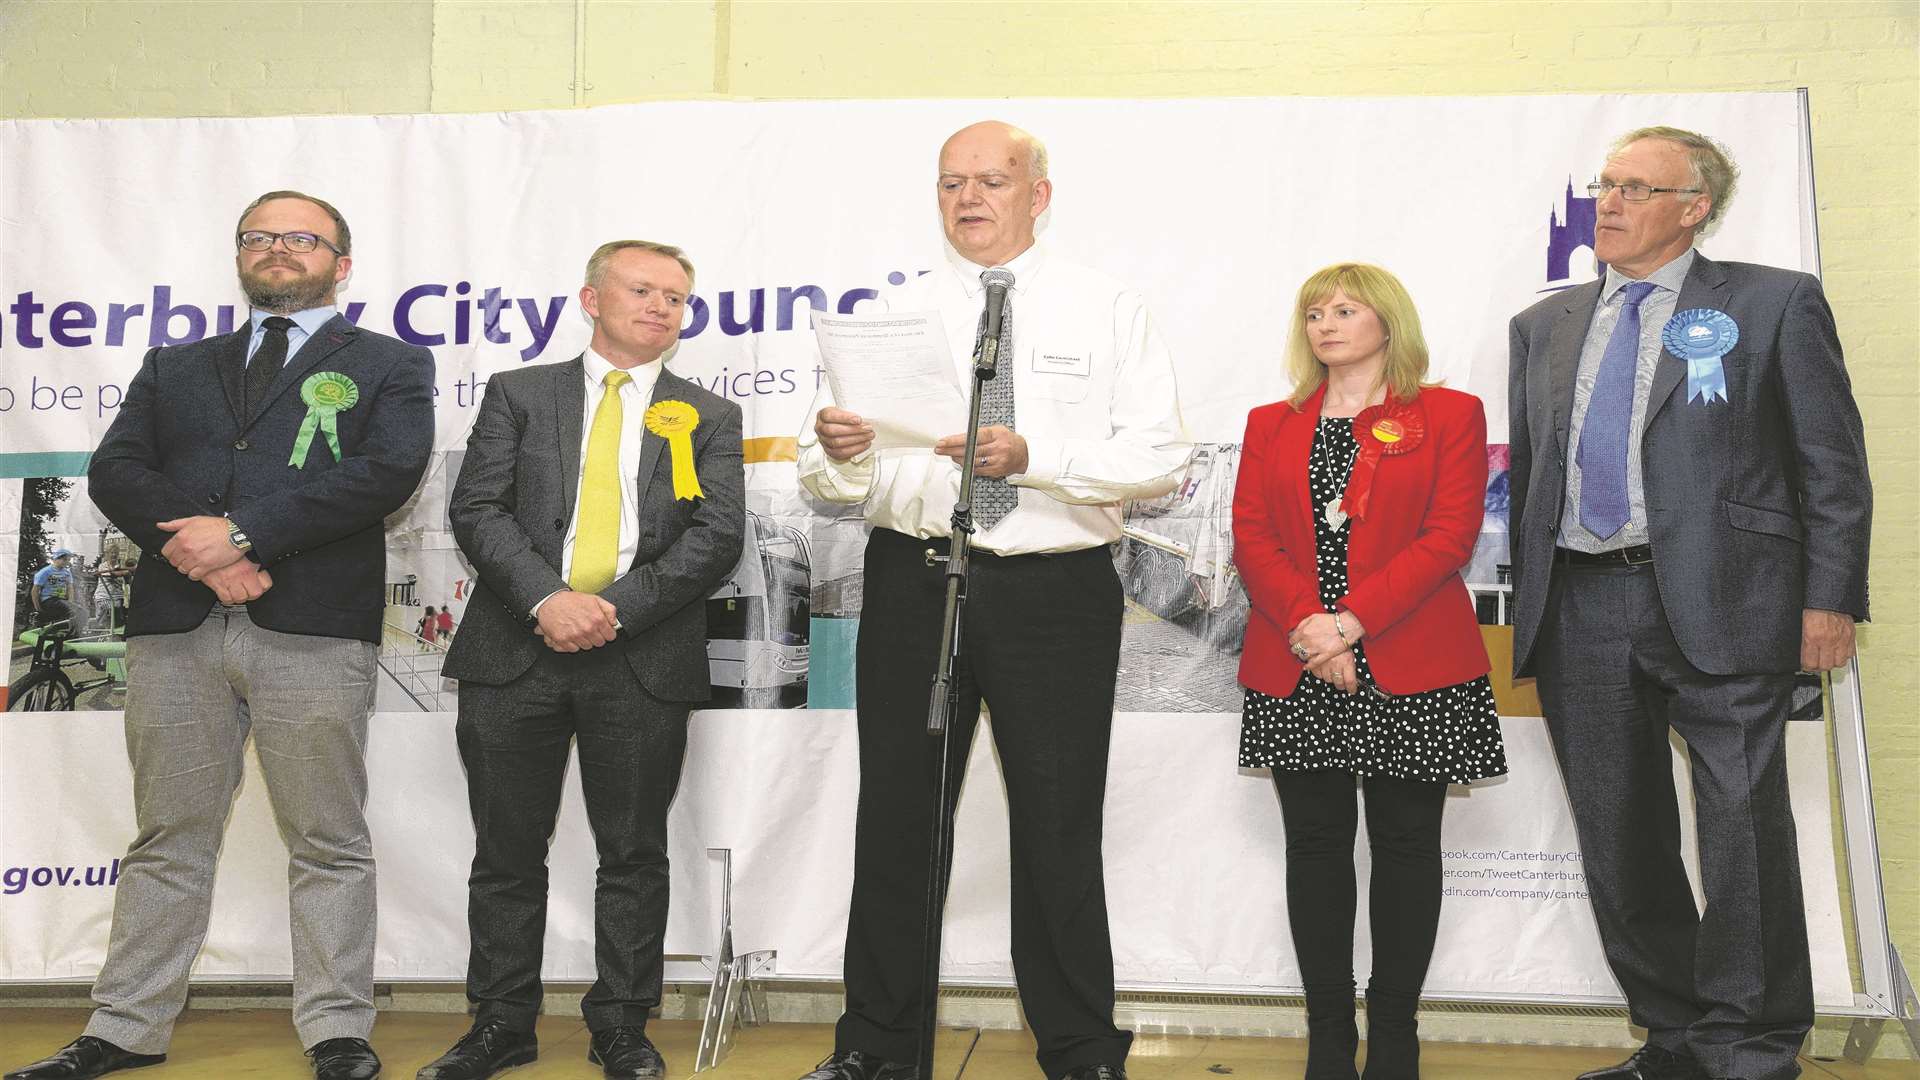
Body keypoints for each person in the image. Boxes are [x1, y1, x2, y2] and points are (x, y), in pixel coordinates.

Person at [5, 191, 433, 1080]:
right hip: (177, 628)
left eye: (301, 238)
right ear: (240, 256)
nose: (278, 249)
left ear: (340, 263)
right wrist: (209, 554)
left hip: (312, 629)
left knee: (327, 837)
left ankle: (337, 1030)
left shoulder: (392, 362)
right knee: (169, 835)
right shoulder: (175, 363)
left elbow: (386, 472)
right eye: (259, 237)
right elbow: (116, 469)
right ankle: (124, 1026)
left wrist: (244, 536)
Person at [796, 120, 1191, 1080]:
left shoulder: (1109, 307)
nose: (969, 198)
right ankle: (877, 1050)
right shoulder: (890, 314)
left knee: (1058, 822)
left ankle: (1082, 1050)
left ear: (1038, 194)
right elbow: (826, 481)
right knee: (896, 818)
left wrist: (1036, 461)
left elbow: (1161, 460)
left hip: (1055, 587)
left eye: (991, 181)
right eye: (950, 184)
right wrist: (842, 457)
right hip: (915, 579)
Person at [1508, 127, 1871, 1080]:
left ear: (1694, 206)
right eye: (1604, 185)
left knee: (1743, 833)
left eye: (1636, 187)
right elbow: (1536, 475)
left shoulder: (1770, 301)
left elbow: (1831, 466)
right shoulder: (1543, 325)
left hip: (1731, 602)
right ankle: (1672, 1038)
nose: (1610, 203)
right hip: (1581, 605)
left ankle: (1751, 1050)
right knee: (1618, 837)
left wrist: (1829, 598)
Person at [425, 240, 744, 1080]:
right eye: (643, 290)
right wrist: (549, 601)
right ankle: (500, 1024)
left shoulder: (708, 414)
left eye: (676, 297)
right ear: (591, 299)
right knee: (505, 852)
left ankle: (622, 1026)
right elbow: (478, 507)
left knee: (633, 852)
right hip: (514, 649)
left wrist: (613, 610)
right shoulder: (518, 393)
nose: (661, 307)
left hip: (641, 655)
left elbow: (716, 537)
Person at [1233, 264, 1507, 1080]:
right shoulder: (1271, 422)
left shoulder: (1449, 414)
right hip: (1296, 658)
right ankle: (1326, 1039)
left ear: (1387, 322)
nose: (1326, 324)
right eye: (1314, 312)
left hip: (1416, 661)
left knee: (1405, 846)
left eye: (1345, 310)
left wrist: (1351, 622)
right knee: (1314, 847)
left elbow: (1451, 535)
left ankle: (1394, 1036)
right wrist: (1313, 631)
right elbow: (1253, 536)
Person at [28, 548, 79, 631]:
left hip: (61, 600)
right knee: (71, 610)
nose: (67, 562)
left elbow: (70, 588)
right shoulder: (45, 572)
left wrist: (71, 602)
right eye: (64, 560)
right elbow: (35, 591)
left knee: (80, 611)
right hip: (48, 599)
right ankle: (39, 616)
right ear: (56, 558)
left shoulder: (67, 572)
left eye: (68, 560)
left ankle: (58, 629)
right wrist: (38, 608)